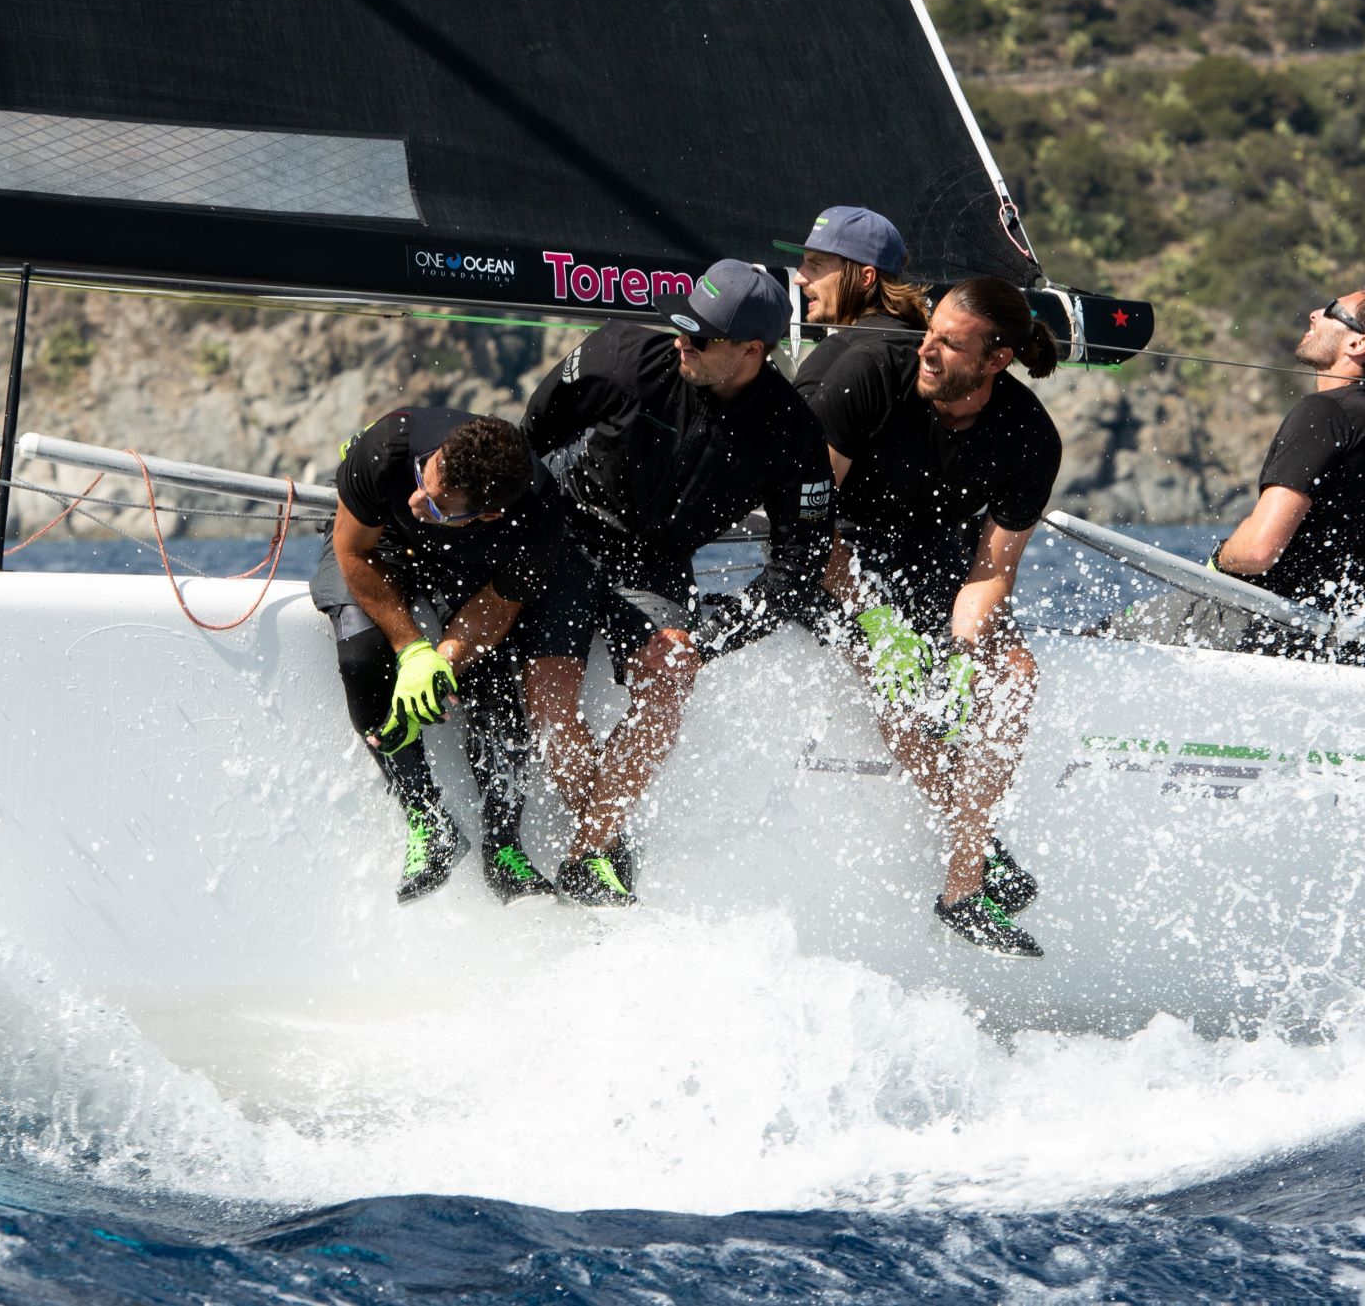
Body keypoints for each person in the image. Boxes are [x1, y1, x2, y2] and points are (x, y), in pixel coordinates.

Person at [521, 259, 836, 905]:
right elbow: (535, 429)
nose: (680, 341)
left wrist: (708, 637)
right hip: (572, 531)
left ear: (752, 350)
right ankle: (606, 836)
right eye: (681, 325)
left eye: (700, 337)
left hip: (657, 561)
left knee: (668, 681)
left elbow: (798, 568)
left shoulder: (791, 432)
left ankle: (587, 853)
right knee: (549, 694)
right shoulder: (625, 354)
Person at [801, 276, 1064, 957]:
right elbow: (807, 525)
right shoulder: (871, 373)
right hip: (840, 554)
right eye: (929, 333)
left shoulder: (1030, 435)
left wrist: (962, 648)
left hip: (936, 564)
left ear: (995, 360)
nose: (928, 350)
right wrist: (877, 623)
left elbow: (990, 573)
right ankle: (976, 848)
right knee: (901, 692)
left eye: (949, 344)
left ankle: (961, 890)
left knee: (1015, 674)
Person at [310, 409, 573, 905]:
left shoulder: (536, 518)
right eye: (422, 479)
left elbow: (498, 606)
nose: (416, 499)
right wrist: (412, 652)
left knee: (492, 678)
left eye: (434, 503)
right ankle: (428, 821)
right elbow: (351, 551)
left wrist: (443, 661)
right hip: (378, 541)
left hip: (471, 561)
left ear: (487, 514)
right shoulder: (388, 448)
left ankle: (503, 846)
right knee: (361, 655)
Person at [1208, 289, 1365, 637]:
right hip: (1324, 637)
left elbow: (1257, 551)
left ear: (1358, 345)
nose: (1314, 313)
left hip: (1263, 624)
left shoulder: (1325, 412)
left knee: (1099, 635)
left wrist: (1219, 559)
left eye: (1332, 310)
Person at [779, 204, 932, 400]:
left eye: (815, 265)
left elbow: (799, 430)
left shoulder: (836, 355)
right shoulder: (925, 351)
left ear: (864, 278)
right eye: (804, 262)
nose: (798, 277)